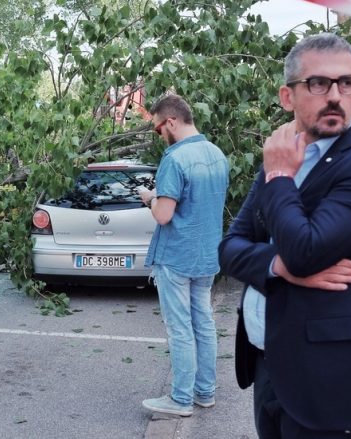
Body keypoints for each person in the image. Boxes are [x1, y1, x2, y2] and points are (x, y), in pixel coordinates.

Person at [219, 32, 351, 438]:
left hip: (331, 378)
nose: (335, 95)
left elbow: (306, 250)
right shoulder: (281, 158)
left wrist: (281, 178)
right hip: (270, 361)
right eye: (318, 83)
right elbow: (230, 248)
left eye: (347, 82)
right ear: (288, 97)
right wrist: (276, 265)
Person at [138, 94, 229, 417]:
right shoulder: (217, 154)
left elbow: (163, 215)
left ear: (171, 122)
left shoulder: (175, 160)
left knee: (180, 329)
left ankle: (180, 399)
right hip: (206, 256)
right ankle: (205, 392)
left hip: (176, 256)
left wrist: (149, 197)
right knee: (203, 324)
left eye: (157, 129)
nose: (159, 135)